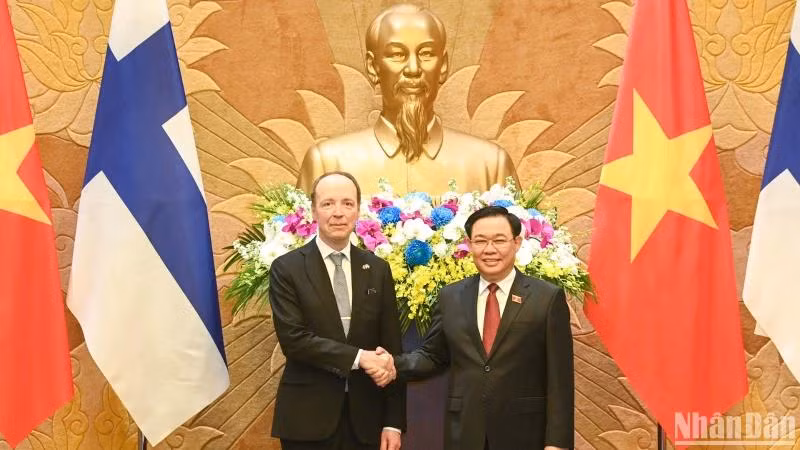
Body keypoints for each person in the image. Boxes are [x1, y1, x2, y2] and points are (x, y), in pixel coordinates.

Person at [379, 206, 574, 450]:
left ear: (517, 242)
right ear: (469, 244)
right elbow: (432, 356)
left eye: (499, 240)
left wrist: (557, 443)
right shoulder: (451, 297)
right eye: (480, 241)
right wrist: (393, 365)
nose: (489, 249)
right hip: (465, 432)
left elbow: (560, 379)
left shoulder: (546, 298)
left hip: (525, 435)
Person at [296, 3, 519, 196]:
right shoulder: (327, 163)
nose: (413, 69)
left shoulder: (491, 166)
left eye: (426, 54)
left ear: (442, 66)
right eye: (397, 55)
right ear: (373, 67)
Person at [269, 171, 405, 450]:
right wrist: (359, 357)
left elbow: (392, 349)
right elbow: (294, 341)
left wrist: (393, 421)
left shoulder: (377, 269)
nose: (338, 213)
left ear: (358, 210)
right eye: (328, 203)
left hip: (367, 420)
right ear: (313, 211)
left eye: (347, 203)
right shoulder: (287, 268)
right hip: (307, 420)